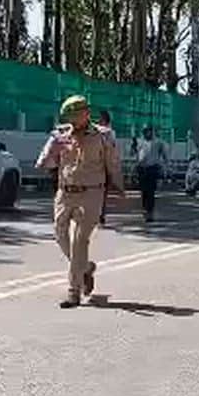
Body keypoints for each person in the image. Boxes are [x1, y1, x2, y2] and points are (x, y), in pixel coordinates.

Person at [36, 95, 123, 308]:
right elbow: (42, 164)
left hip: (91, 194)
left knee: (79, 240)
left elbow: (112, 164)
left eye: (76, 115)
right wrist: (53, 151)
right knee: (59, 234)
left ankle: (73, 292)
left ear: (87, 113)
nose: (73, 121)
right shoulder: (59, 135)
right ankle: (85, 268)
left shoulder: (104, 136)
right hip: (64, 193)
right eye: (69, 117)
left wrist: (119, 188)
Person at [135, 126, 168, 222]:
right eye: (145, 132)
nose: (147, 134)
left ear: (152, 132)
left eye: (148, 132)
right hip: (142, 169)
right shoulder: (140, 142)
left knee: (151, 192)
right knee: (144, 192)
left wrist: (165, 167)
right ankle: (145, 210)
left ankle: (150, 212)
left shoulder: (158, 142)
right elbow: (136, 154)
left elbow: (164, 155)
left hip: (152, 169)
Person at [96, 110, 117, 226]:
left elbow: (112, 149)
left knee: (102, 191)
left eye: (101, 119)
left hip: (103, 164)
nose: (99, 121)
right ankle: (99, 214)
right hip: (96, 164)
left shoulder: (109, 133)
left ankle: (101, 214)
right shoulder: (96, 132)